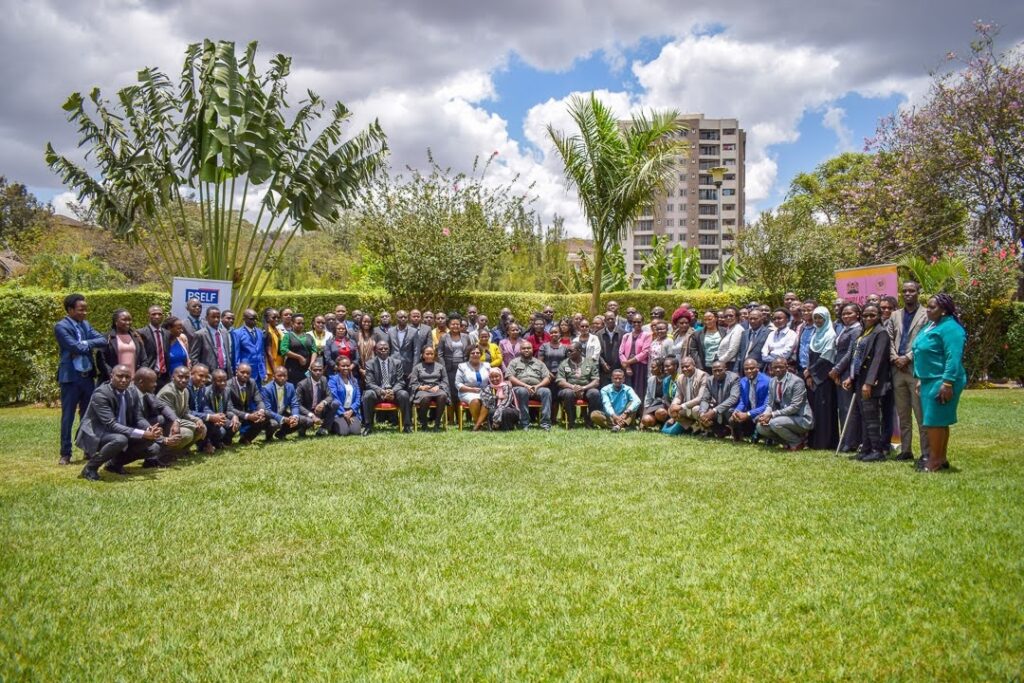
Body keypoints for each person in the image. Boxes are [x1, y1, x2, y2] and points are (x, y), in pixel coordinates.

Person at [77, 364, 163, 480]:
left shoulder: (132, 392)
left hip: (120, 431)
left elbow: (138, 418)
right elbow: (111, 425)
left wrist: (149, 429)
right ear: (111, 376)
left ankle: (114, 464)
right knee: (120, 439)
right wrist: (142, 433)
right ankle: (90, 468)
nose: (124, 380)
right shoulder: (101, 394)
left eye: (127, 377)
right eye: (120, 376)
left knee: (154, 448)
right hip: (97, 432)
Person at [912, 294, 968, 472]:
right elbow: (921, 351)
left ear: (944, 310)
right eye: (927, 306)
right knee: (939, 420)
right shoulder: (932, 325)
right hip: (929, 379)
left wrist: (948, 383)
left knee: (934, 421)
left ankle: (934, 461)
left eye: (932, 307)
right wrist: (920, 378)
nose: (927, 310)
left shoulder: (951, 328)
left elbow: (953, 357)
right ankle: (941, 458)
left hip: (943, 380)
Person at [55, 294, 108, 465]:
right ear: (70, 310)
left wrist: (85, 343)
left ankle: (88, 449)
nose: (85, 313)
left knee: (87, 415)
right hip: (71, 378)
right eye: (81, 310)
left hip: (87, 377)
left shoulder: (85, 324)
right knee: (68, 416)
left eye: (85, 309)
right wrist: (86, 344)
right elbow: (73, 346)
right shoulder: (61, 327)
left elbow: (103, 340)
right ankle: (65, 453)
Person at [843, 303, 892, 462]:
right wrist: (852, 377)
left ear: (879, 316)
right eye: (865, 315)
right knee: (864, 416)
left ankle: (877, 450)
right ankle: (866, 447)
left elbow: (877, 360)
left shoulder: (881, 333)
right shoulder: (865, 332)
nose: (868, 318)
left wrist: (869, 383)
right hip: (859, 378)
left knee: (871, 417)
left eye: (872, 315)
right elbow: (857, 357)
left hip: (872, 381)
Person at [889, 281, 930, 462]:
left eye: (911, 291)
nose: (907, 294)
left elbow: (926, 339)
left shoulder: (926, 314)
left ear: (918, 293)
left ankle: (926, 452)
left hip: (915, 369)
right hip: (897, 369)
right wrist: (895, 358)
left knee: (920, 413)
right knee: (903, 413)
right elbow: (889, 338)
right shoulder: (895, 315)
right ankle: (906, 450)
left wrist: (908, 357)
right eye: (904, 291)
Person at [756, 358, 814, 450]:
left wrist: (772, 415)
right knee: (760, 427)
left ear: (787, 367)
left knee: (775, 423)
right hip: (784, 418)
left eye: (781, 367)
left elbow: (795, 407)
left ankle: (798, 442)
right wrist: (766, 414)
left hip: (802, 419)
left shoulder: (797, 382)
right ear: (771, 369)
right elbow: (770, 404)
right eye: (775, 367)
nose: (778, 369)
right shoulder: (772, 381)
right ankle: (787, 443)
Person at [804, 306, 839, 450]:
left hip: (823, 378)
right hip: (813, 377)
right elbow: (810, 356)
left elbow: (826, 358)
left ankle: (825, 442)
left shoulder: (830, 335)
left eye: (820, 318)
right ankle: (813, 441)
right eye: (816, 318)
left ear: (826, 319)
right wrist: (808, 372)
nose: (818, 321)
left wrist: (810, 373)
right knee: (814, 409)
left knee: (825, 410)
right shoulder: (816, 334)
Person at [830, 303, 863, 453]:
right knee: (842, 409)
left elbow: (850, 354)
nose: (846, 316)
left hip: (847, 372)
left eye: (849, 313)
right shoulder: (845, 329)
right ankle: (845, 440)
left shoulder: (857, 330)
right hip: (840, 372)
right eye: (844, 314)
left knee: (849, 408)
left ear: (857, 314)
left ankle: (851, 442)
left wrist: (837, 370)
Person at [362, 340, 412, 434]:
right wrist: (382, 391)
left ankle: (407, 426)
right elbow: (369, 383)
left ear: (389, 350)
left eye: (386, 348)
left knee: (404, 394)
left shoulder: (397, 363)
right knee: (368, 394)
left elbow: (400, 381)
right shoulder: (370, 364)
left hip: (393, 392)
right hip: (378, 393)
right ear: (376, 351)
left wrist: (392, 391)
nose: (383, 350)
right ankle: (368, 426)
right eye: (381, 349)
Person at [157, 365, 207, 454]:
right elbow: (171, 417)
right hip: (166, 426)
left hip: (177, 423)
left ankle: (182, 451)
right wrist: (194, 425)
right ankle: (165, 453)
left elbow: (185, 412)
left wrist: (197, 420)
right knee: (188, 433)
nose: (183, 380)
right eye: (180, 377)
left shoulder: (185, 391)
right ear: (173, 377)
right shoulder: (168, 392)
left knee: (202, 427)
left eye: (186, 377)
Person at [506, 341, 552, 431]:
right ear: (520, 350)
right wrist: (526, 386)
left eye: (528, 348)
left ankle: (545, 423)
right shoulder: (514, 362)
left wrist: (537, 386)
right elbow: (510, 377)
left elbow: (547, 378)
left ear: (532, 349)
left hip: (537, 388)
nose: (526, 350)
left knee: (546, 391)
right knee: (522, 392)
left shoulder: (539, 363)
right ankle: (524, 423)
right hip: (520, 388)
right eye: (524, 348)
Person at [555, 342, 601, 429]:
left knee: (594, 393)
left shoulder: (590, 363)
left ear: (579, 351)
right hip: (569, 388)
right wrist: (573, 387)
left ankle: (590, 422)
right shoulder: (564, 363)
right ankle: (571, 422)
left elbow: (596, 381)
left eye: (571, 351)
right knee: (568, 393)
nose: (568, 353)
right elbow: (560, 381)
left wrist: (583, 388)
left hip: (586, 389)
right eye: (567, 351)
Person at [261, 366, 314, 439]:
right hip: (271, 416)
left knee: (305, 420)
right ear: (273, 376)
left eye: (284, 376)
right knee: (274, 424)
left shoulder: (290, 386)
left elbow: (294, 404)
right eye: (279, 375)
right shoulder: (266, 389)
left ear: (287, 377)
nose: (282, 378)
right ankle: (269, 437)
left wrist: (295, 416)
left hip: (283, 413)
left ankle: (281, 434)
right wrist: (283, 419)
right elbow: (267, 410)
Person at [226, 362, 271, 445]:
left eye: (248, 373)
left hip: (246, 411)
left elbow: (259, 401)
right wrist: (248, 416)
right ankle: (226, 440)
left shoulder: (252, 383)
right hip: (233, 414)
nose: (245, 375)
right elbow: (229, 408)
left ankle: (246, 438)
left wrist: (261, 411)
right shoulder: (228, 385)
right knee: (233, 420)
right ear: (237, 372)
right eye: (242, 372)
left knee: (265, 415)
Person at [97, 308, 147, 381]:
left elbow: (144, 359)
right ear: (116, 322)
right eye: (124, 320)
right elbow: (101, 360)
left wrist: (139, 375)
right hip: (113, 380)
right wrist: (113, 375)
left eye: (130, 320)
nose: (128, 322)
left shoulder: (136, 337)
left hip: (133, 380)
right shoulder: (107, 337)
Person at [408, 346, 449, 431]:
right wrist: (421, 387)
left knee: (443, 396)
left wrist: (439, 386)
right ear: (422, 355)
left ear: (434, 355)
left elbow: (445, 381)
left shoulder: (440, 367)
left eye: (431, 354)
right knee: (425, 398)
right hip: (423, 390)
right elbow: (412, 383)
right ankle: (424, 424)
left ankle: (437, 424)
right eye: (427, 354)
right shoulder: (417, 367)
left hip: (437, 389)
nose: (429, 356)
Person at [696, 360, 741, 438]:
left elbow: (733, 398)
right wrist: (702, 413)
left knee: (730, 412)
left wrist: (714, 410)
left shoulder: (734, 378)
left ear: (725, 369)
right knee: (700, 411)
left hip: (732, 408)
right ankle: (721, 432)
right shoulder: (709, 380)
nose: (717, 373)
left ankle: (738, 434)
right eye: (715, 371)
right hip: (718, 408)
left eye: (720, 370)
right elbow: (705, 399)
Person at [730, 357, 771, 441]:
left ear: (757, 368)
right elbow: (743, 401)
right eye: (746, 369)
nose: (749, 371)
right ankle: (739, 438)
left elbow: (767, 405)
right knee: (732, 415)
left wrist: (748, 414)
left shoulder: (767, 382)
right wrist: (737, 411)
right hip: (749, 410)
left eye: (752, 368)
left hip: (762, 412)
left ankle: (766, 437)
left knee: (760, 419)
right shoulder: (743, 381)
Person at [667, 356, 708, 432]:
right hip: (687, 407)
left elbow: (700, 398)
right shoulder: (680, 378)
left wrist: (681, 406)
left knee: (696, 409)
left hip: (702, 406)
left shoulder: (703, 375)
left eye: (687, 366)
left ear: (694, 365)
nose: (684, 369)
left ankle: (705, 430)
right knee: (671, 410)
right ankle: (693, 427)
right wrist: (673, 405)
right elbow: (678, 396)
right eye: (682, 367)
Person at [203, 368, 241, 448]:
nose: (223, 383)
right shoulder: (206, 392)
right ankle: (210, 443)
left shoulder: (227, 390)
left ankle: (224, 442)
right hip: (210, 420)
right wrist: (215, 417)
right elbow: (205, 409)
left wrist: (234, 416)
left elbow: (229, 409)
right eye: (219, 381)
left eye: (225, 380)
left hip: (222, 419)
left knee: (236, 424)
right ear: (213, 381)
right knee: (222, 431)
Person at [436, 313, 469, 404]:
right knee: (451, 391)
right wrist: (443, 368)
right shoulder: (444, 337)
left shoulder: (466, 337)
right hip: (449, 367)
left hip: (463, 367)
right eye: (453, 324)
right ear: (449, 325)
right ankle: (451, 417)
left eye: (457, 324)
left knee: (462, 390)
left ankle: (461, 416)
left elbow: (469, 352)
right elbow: (440, 354)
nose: (455, 326)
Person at [191, 306, 233, 377]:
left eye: (218, 317)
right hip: (209, 375)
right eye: (213, 317)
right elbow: (194, 357)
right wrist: (202, 374)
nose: (216, 319)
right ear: (207, 318)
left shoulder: (224, 333)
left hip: (225, 373)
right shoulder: (200, 335)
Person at [295, 360, 334, 437]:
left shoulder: (324, 380)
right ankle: (301, 430)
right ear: (310, 370)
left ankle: (323, 429)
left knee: (335, 404)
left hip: (319, 409)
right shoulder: (302, 384)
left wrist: (323, 403)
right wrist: (311, 415)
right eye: (315, 370)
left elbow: (329, 396)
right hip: (307, 411)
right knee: (309, 421)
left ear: (323, 370)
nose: (318, 372)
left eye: (320, 370)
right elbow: (297, 404)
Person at [456, 346, 491, 430]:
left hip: (484, 391)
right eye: (473, 353)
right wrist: (471, 389)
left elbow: (492, 380)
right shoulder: (462, 366)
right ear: (469, 355)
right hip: (467, 392)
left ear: (481, 354)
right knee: (475, 401)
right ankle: (479, 424)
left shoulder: (487, 365)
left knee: (488, 399)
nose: (475, 355)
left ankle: (477, 426)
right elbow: (458, 384)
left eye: (478, 353)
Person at [327, 356, 363, 436]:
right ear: (338, 367)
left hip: (351, 410)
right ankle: (331, 425)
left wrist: (351, 411)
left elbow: (358, 398)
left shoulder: (354, 380)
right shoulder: (333, 380)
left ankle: (346, 422)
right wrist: (344, 413)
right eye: (343, 366)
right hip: (339, 411)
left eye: (348, 365)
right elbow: (334, 398)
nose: (346, 368)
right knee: (344, 432)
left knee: (356, 431)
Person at [619, 313, 652, 402]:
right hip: (627, 367)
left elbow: (645, 352)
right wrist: (627, 366)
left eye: (639, 322)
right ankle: (628, 411)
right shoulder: (626, 336)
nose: (636, 324)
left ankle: (638, 412)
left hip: (640, 366)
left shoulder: (647, 335)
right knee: (627, 388)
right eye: (634, 322)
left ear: (642, 322)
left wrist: (628, 362)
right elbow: (621, 353)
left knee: (639, 389)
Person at [186, 364, 217, 454]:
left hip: (198, 417)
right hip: (187, 418)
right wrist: (208, 417)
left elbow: (204, 406)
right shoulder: (186, 388)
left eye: (206, 377)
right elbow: (186, 411)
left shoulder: (202, 387)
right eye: (201, 375)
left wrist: (213, 415)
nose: (204, 379)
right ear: (192, 374)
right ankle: (184, 449)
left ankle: (205, 445)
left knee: (219, 430)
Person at [231, 309, 266, 388]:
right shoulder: (237, 333)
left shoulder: (260, 332)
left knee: (258, 396)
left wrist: (263, 371)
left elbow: (262, 353)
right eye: (251, 319)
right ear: (244, 319)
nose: (255, 321)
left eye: (256, 318)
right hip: (245, 372)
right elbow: (236, 354)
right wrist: (237, 371)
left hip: (259, 372)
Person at [642, 356, 679, 431]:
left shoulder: (669, 378)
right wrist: (643, 416)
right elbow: (648, 399)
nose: (650, 369)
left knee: (660, 412)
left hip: (667, 406)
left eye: (653, 367)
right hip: (655, 405)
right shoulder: (651, 380)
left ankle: (664, 424)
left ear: (660, 368)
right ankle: (657, 424)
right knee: (646, 420)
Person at [137, 305, 169, 386]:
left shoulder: (167, 333)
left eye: (159, 314)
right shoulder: (141, 333)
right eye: (154, 314)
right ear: (148, 316)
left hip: (164, 376)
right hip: (149, 374)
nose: (157, 316)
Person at [280, 313, 313, 385]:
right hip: (293, 368)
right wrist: (299, 357)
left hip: (307, 368)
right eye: (298, 323)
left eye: (303, 323)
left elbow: (314, 350)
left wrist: (311, 364)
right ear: (292, 323)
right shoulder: (288, 336)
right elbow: (283, 350)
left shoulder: (309, 336)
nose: (301, 325)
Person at [388, 310, 419, 378]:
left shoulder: (414, 331)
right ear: (396, 318)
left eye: (405, 317)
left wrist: (414, 370)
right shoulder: (390, 331)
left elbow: (416, 352)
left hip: (408, 367)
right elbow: (388, 349)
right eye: (401, 317)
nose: (403, 319)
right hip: (393, 365)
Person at [714, 306, 746, 372]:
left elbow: (732, 350)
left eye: (731, 316)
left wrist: (720, 361)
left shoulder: (738, 329)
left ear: (737, 317)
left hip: (731, 364)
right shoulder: (729, 328)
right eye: (726, 316)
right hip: (725, 363)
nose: (728, 318)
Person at [598, 312, 623, 386]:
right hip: (604, 371)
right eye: (608, 319)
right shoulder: (598, 335)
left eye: (612, 319)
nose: (610, 321)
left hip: (619, 371)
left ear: (615, 319)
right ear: (604, 321)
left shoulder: (623, 333)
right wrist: (603, 363)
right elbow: (596, 352)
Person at [262, 308, 284, 382]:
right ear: (267, 319)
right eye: (274, 317)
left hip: (279, 363)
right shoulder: (267, 332)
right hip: (271, 367)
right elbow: (269, 353)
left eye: (278, 317)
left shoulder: (277, 331)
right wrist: (275, 371)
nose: (277, 319)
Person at [355, 314, 378, 380]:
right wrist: (360, 369)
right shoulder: (355, 335)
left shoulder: (376, 335)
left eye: (369, 322)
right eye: (364, 321)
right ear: (361, 322)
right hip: (358, 368)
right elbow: (354, 353)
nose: (366, 323)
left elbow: (379, 353)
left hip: (374, 368)